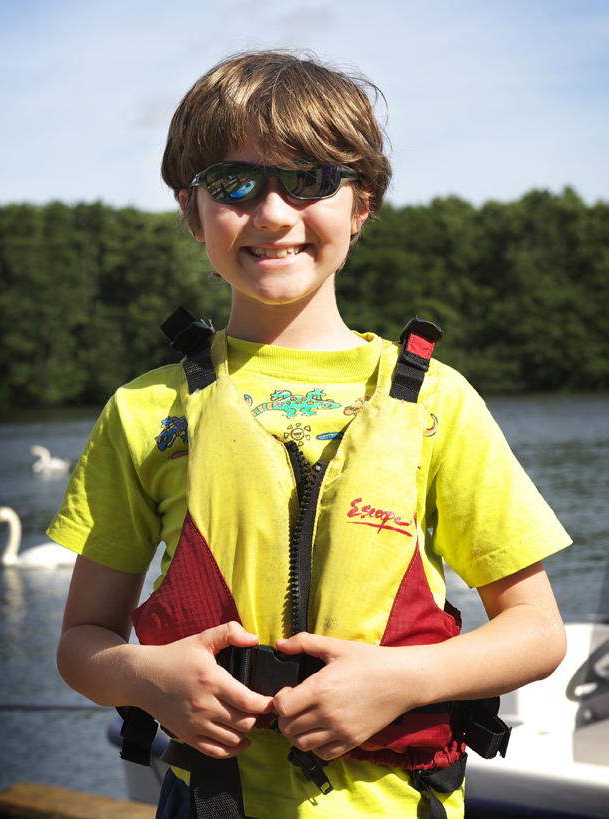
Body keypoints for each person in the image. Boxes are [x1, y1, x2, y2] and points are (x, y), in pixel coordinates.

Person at [51, 50, 571, 819]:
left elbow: (537, 632)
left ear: (363, 204)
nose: (271, 213)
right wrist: (146, 677)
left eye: (311, 179)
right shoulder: (142, 412)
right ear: (192, 212)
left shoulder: (439, 403)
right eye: (232, 182)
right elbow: (82, 642)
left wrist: (403, 681)